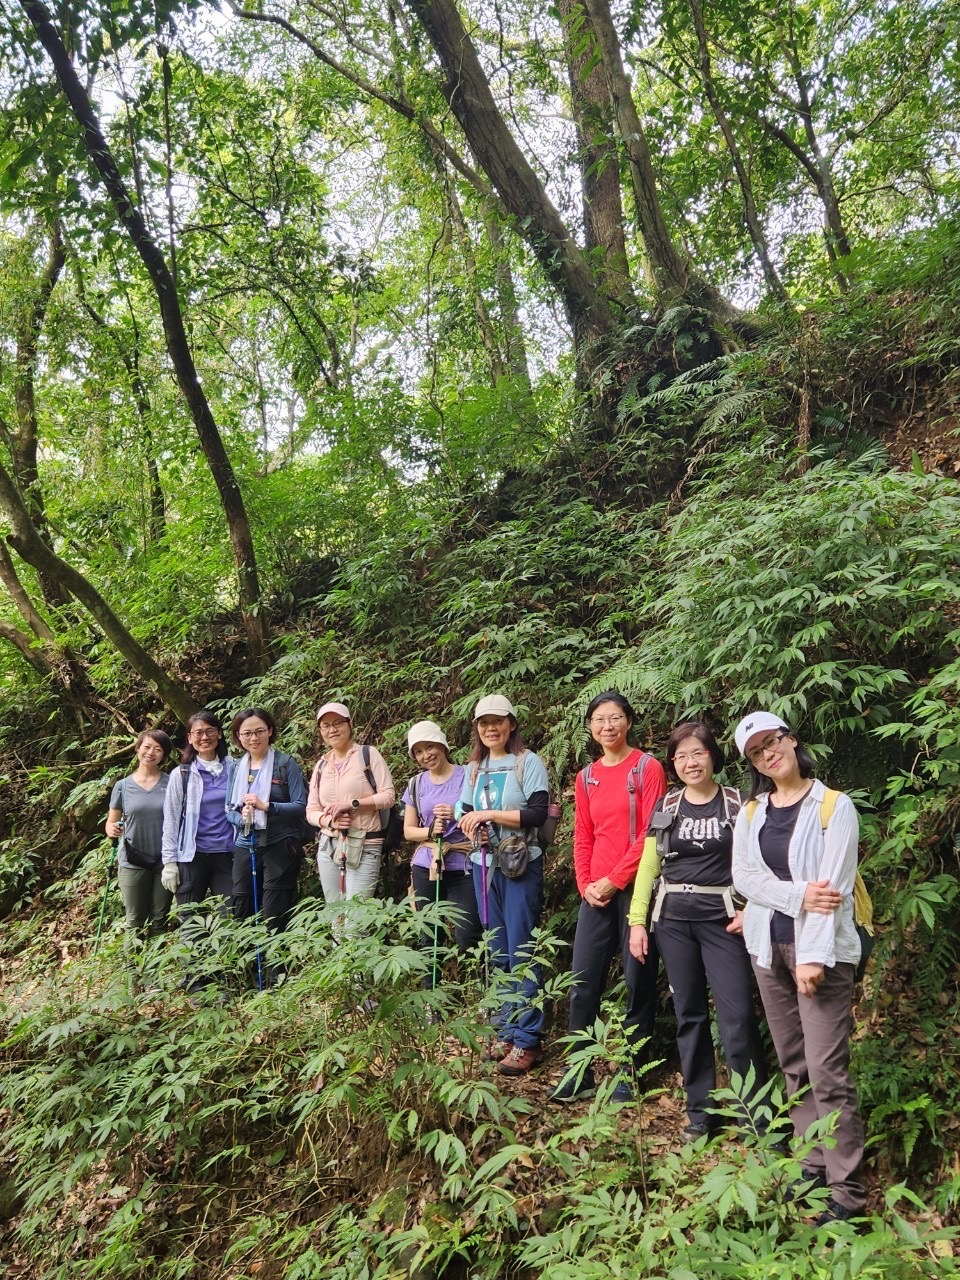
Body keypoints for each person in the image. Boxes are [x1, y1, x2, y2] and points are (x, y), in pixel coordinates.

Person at [731, 711, 866, 1225]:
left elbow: (831, 892)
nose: (770, 753)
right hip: (767, 948)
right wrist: (795, 893)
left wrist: (812, 956)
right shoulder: (752, 812)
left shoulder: (834, 807)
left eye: (775, 740)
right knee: (793, 1063)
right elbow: (745, 877)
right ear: (754, 763)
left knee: (828, 1072)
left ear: (792, 740)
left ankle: (847, 1193)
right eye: (757, 750)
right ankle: (811, 1164)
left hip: (820, 953)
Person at [627, 722, 768, 1140]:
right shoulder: (668, 806)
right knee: (689, 1015)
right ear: (673, 764)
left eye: (698, 753)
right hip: (672, 921)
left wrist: (754, 909)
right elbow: (648, 867)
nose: (690, 762)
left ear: (713, 757)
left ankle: (754, 1116)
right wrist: (638, 921)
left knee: (738, 1016)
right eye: (681, 756)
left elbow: (762, 863)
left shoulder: (737, 804)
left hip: (724, 921)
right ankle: (701, 1115)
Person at [550, 691, 666, 1105]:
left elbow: (652, 834)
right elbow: (583, 834)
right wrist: (585, 884)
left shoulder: (647, 768)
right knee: (583, 983)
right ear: (590, 727)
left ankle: (633, 1072)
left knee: (637, 981)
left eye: (615, 717)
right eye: (599, 719)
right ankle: (578, 1070)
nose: (608, 726)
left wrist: (615, 880)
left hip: (635, 889)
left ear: (629, 722)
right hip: (594, 892)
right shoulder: (586, 777)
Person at [458, 694, 550, 1076]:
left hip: (520, 863)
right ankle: (506, 1029)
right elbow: (466, 810)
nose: (490, 728)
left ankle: (527, 1039)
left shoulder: (528, 762)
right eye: (483, 723)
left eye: (497, 721)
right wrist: (474, 824)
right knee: (496, 949)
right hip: (484, 864)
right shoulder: (475, 767)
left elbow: (537, 812)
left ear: (511, 723)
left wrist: (490, 814)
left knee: (522, 948)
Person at [161, 711, 236, 997]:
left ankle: (224, 978)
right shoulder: (182, 775)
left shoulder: (235, 767)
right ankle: (195, 982)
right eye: (197, 733)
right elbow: (170, 820)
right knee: (190, 919)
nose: (204, 737)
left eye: (209, 731)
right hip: (191, 856)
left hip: (227, 855)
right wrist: (170, 862)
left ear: (218, 734)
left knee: (226, 916)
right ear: (189, 739)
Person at [402, 720, 482, 988]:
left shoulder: (468, 775)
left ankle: (474, 993)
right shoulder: (416, 784)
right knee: (429, 933)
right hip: (427, 864)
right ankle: (431, 997)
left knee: (468, 931)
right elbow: (408, 831)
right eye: (420, 752)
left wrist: (457, 816)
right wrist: (429, 831)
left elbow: (480, 813)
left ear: (443, 746)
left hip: (464, 863)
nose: (427, 755)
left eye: (431, 747)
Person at [306, 702, 395, 914]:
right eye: (326, 725)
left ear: (350, 724)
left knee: (356, 918)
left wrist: (354, 804)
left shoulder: (368, 755)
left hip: (365, 842)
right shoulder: (321, 765)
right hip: (329, 844)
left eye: (338, 723)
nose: (332, 729)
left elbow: (389, 796)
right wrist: (328, 821)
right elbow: (311, 809)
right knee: (335, 915)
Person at [227, 707, 307, 939]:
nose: (254, 738)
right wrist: (240, 818)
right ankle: (248, 969)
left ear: (270, 731)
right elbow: (228, 810)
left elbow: (300, 805)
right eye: (247, 733)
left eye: (260, 731)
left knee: (274, 909)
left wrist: (267, 807)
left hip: (280, 844)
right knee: (242, 905)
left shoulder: (284, 763)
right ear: (238, 736)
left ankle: (274, 973)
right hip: (245, 844)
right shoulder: (235, 767)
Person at [104, 729, 174, 935]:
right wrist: (111, 829)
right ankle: (131, 966)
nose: (151, 752)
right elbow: (111, 822)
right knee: (134, 921)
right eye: (147, 747)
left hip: (165, 860)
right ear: (137, 749)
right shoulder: (123, 786)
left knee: (160, 919)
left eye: (158, 749)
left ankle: (156, 966)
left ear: (164, 755)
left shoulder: (171, 783)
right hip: (132, 860)